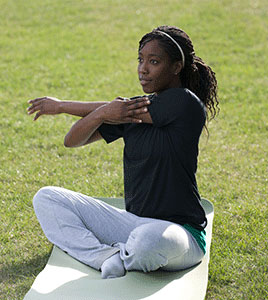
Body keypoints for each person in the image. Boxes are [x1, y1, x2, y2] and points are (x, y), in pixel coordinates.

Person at [27, 25, 218, 279]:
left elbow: (127, 108)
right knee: (46, 198)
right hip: (133, 224)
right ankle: (106, 257)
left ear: (176, 67)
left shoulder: (184, 102)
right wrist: (100, 112)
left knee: (147, 242)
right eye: (140, 60)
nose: (143, 68)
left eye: (154, 61)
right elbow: (72, 140)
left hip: (180, 234)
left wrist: (66, 106)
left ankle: (121, 252)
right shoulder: (130, 114)